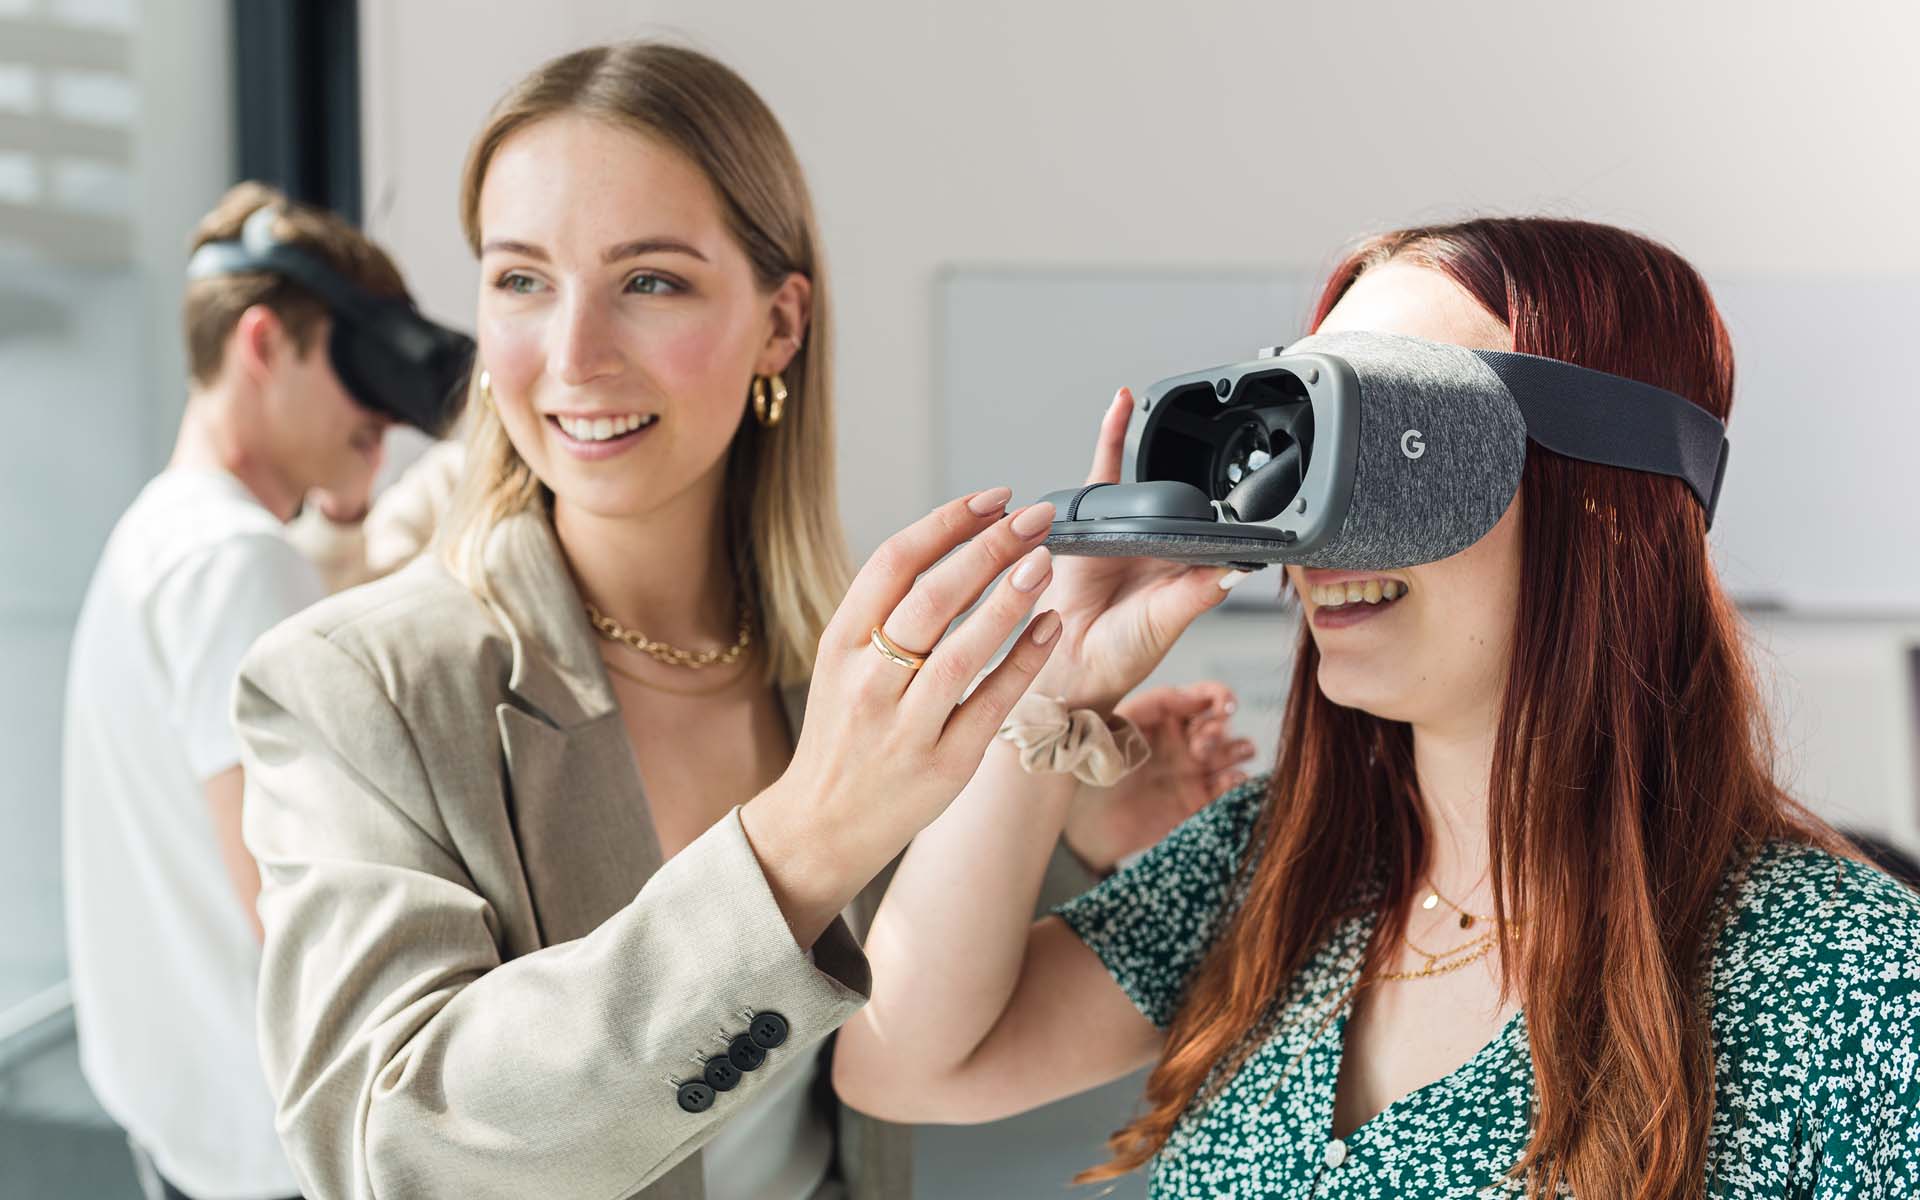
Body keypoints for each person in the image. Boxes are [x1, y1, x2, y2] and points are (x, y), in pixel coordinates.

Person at [232, 42, 1254, 1200]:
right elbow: (391, 1151)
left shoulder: (847, 669)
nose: (573, 356)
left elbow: (914, 1017)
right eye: (521, 281)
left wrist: (1069, 817)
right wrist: (801, 842)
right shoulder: (352, 686)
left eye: (649, 282)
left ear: (781, 323)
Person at [833, 217, 1920, 1197]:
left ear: (1608, 492)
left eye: (1397, 442)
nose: (1323, 533)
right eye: (1312, 441)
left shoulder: (1859, 985)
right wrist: (1057, 685)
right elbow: (904, 1063)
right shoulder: (1281, 868)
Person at [61, 181, 435, 1200]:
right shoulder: (237, 562)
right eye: (360, 369)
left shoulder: (162, 533)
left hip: (187, 1134)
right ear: (263, 344)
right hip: (274, 1152)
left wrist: (348, 512)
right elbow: (303, 915)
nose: (384, 413)